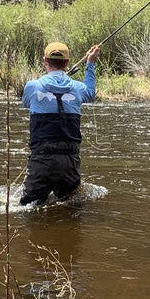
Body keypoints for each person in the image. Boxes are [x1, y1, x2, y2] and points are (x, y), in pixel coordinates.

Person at [20, 41, 100, 206]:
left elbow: (26, 103)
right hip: (69, 161)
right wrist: (90, 63)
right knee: (69, 207)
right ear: (67, 63)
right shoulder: (78, 88)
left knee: (29, 208)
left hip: (41, 160)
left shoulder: (32, 87)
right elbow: (91, 93)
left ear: (45, 61)